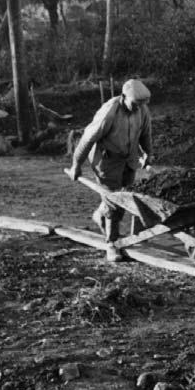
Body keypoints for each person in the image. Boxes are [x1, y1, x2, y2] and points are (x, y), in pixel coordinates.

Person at [67, 78, 153, 262]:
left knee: (130, 196)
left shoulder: (142, 109)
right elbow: (87, 139)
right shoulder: (109, 112)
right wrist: (76, 164)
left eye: (141, 104)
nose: (138, 108)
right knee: (115, 201)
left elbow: (145, 134)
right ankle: (111, 244)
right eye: (135, 104)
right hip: (106, 161)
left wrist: (148, 155)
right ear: (123, 97)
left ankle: (103, 217)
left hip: (129, 158)